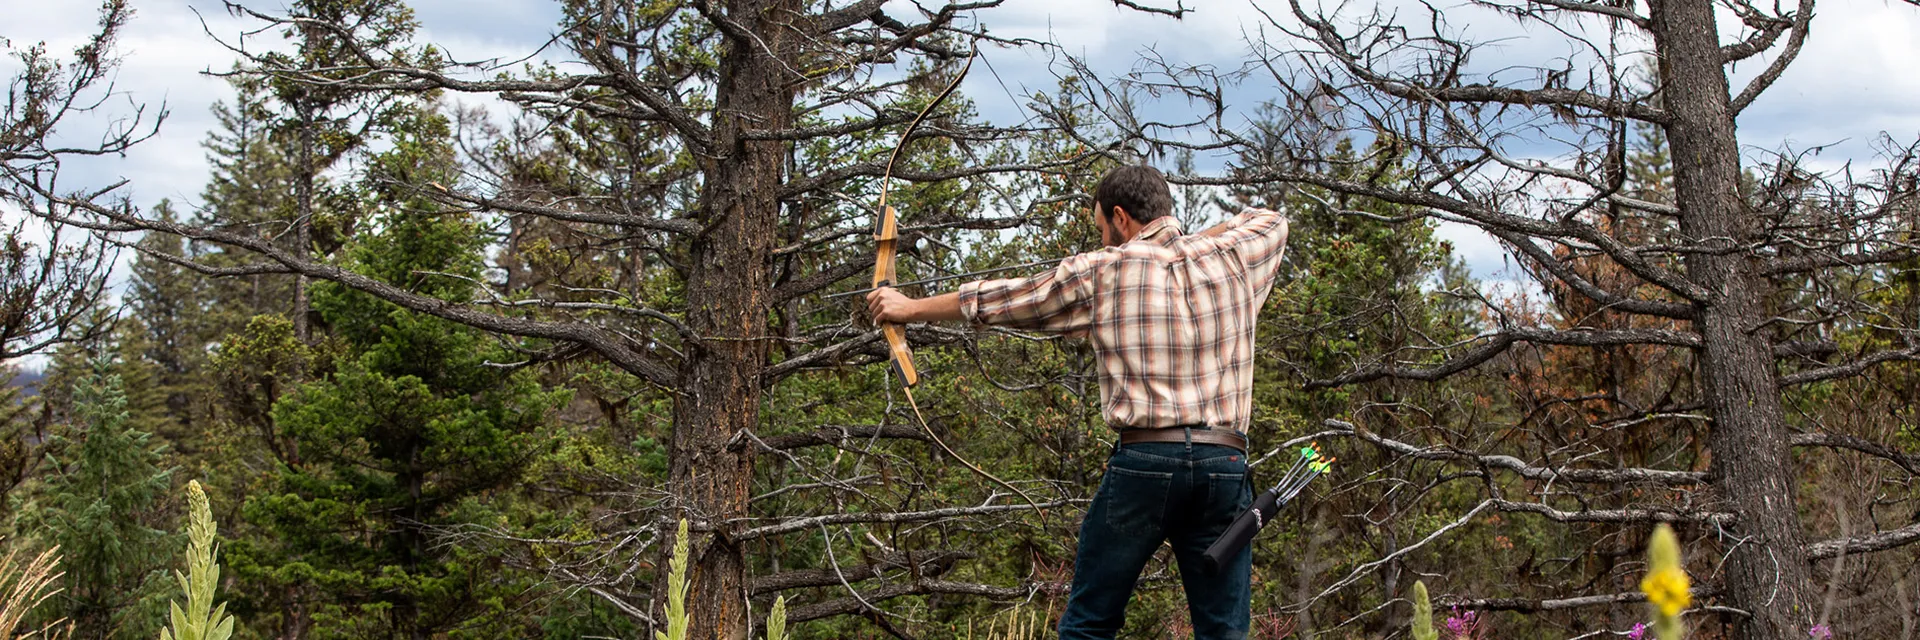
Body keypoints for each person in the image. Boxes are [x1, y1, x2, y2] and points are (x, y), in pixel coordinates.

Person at [865, 164, 1290, 639]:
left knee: (1090, 623)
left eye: (1103, 228)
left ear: (1121, 217)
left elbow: (1007, 298)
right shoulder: (1234, 255)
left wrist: (909, 308)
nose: (1104, 241)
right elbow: (1271, 219)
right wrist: (1186, 244)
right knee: (1224, 632)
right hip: (1224, 464)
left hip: (1147, 463)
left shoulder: (1102, 270)